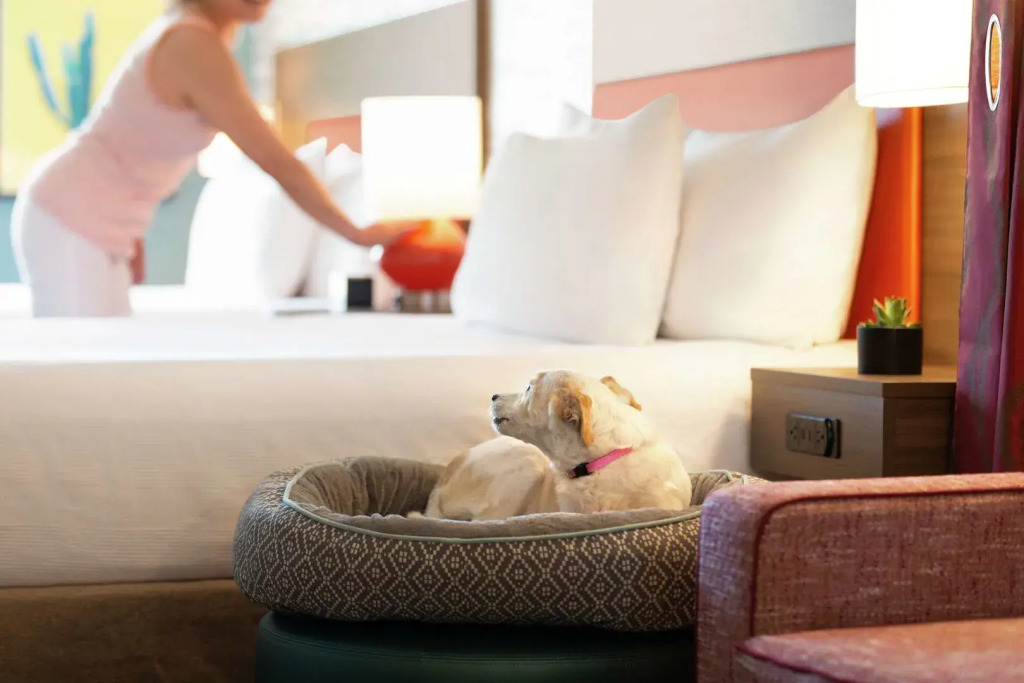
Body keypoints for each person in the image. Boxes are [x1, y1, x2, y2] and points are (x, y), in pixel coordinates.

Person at [12, 0, 413, 318]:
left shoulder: (199, 36)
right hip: (71, 214)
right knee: (88, 369)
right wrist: (357, 234)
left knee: (100, 367)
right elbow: (277, 161)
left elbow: (128, 146)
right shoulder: (192, 43)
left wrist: (131, 235)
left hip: (92, 220)